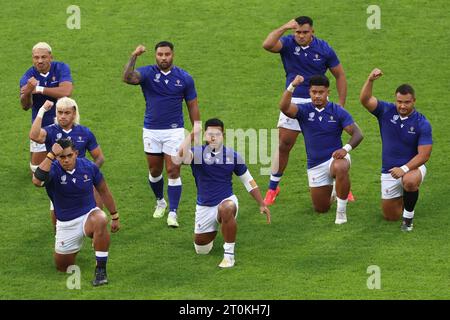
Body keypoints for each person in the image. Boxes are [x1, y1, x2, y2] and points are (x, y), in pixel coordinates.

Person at [262, 16, 352, 205]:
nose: (301, 36)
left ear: (313, 32)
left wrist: (341, 106)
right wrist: (285, 26)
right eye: (298, 32)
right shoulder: (287, 42)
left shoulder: (324, 48)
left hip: (319, 100)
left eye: (305, 32)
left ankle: (342, 187)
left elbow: (340, 75)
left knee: (331, 146)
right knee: (284, 145)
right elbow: (267, 44)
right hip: (294, 100)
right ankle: (273, 187)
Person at [122, 41, 200, 228]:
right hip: (151, 130)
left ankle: (173, 212)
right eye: (160, 55)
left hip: (174, 131)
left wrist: (197, 126)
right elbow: (127, 77)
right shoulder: (148, 73)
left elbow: (192, 104)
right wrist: (134, 55)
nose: (163, 58)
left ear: (173, 55)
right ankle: (160, 201)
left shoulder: (184, 78)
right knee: (155, 171)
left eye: (167, 54)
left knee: (173, 170)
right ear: (155, 55)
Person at [177, 118, 271, 268]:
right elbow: (180, 157)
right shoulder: (196, 153)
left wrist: (261, 203)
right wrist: (191, 135)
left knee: (226, 208)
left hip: (226, 200)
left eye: (217, 134)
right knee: (202, 249)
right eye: (210, 134)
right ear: (205, 136)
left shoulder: (233, 156)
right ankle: (218, 227)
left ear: (223, 135)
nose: (213, 137)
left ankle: (229, 256)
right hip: (205, 207)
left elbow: (248, 181)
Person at [32, 138, 120, 286]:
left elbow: (104, 191)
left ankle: (101, 271)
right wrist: (51, 154)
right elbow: (37, 181)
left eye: (69, 156)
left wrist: (115, 215)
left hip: (88, 216)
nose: (66, 160)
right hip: (66, 224)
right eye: (62, 157)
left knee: (100, 219)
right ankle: (87, 242)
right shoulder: (53, 168)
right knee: (63, 267)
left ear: (76, 154)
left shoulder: (89, 167)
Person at [280, 75, 363, 224]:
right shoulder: (304, 110)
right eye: (314, 92)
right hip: (315, 165)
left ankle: (341, 212)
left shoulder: (337, 111)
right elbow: (284, 107)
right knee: (321, 208)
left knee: (341, 166)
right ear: (309, 92)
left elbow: (358, 133)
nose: (317, 96)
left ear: (328, 92)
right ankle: (333, 191)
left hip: (335, 158)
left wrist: (345, 149)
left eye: (321, 92)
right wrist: (292, 85)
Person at [359, 68, 432, 231]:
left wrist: (404, 169)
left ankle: (408, 218)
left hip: (412, 167)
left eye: (407, 102)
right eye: (399, 101)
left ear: (414, 101)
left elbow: (424, 154)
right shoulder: (385, 111)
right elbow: (365, 100)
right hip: (389, 171)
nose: (402, 105)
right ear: (395, 100)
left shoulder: (422, 123)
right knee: (390, 216)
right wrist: (370, 80)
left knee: (410, 181)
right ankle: (405, 196)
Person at [29, 97, 105, 229]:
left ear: (74, 113)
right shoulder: (51, 131)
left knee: (96, 206)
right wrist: (41, 110)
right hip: (58, 178)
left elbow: (99, 157)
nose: (62, 116)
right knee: (58, 215)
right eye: (59, 112)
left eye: (66, 113)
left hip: (81, 176)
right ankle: (59, 234)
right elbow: (34, 135)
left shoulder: (85, 132)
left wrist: (90, 172)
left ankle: (96, 235)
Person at [20, 42, 73, 173]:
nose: (40, 61)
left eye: (43, 57)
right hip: (41, 124)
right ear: (32, 58)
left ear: (51, 57)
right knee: (36, 170)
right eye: (36, 57)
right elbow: (25, 106)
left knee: (66, 161)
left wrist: (39, 89)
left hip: (62, 122)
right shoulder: (27, 77)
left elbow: (66, 91)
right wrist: (28, 91)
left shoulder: (61, 67)